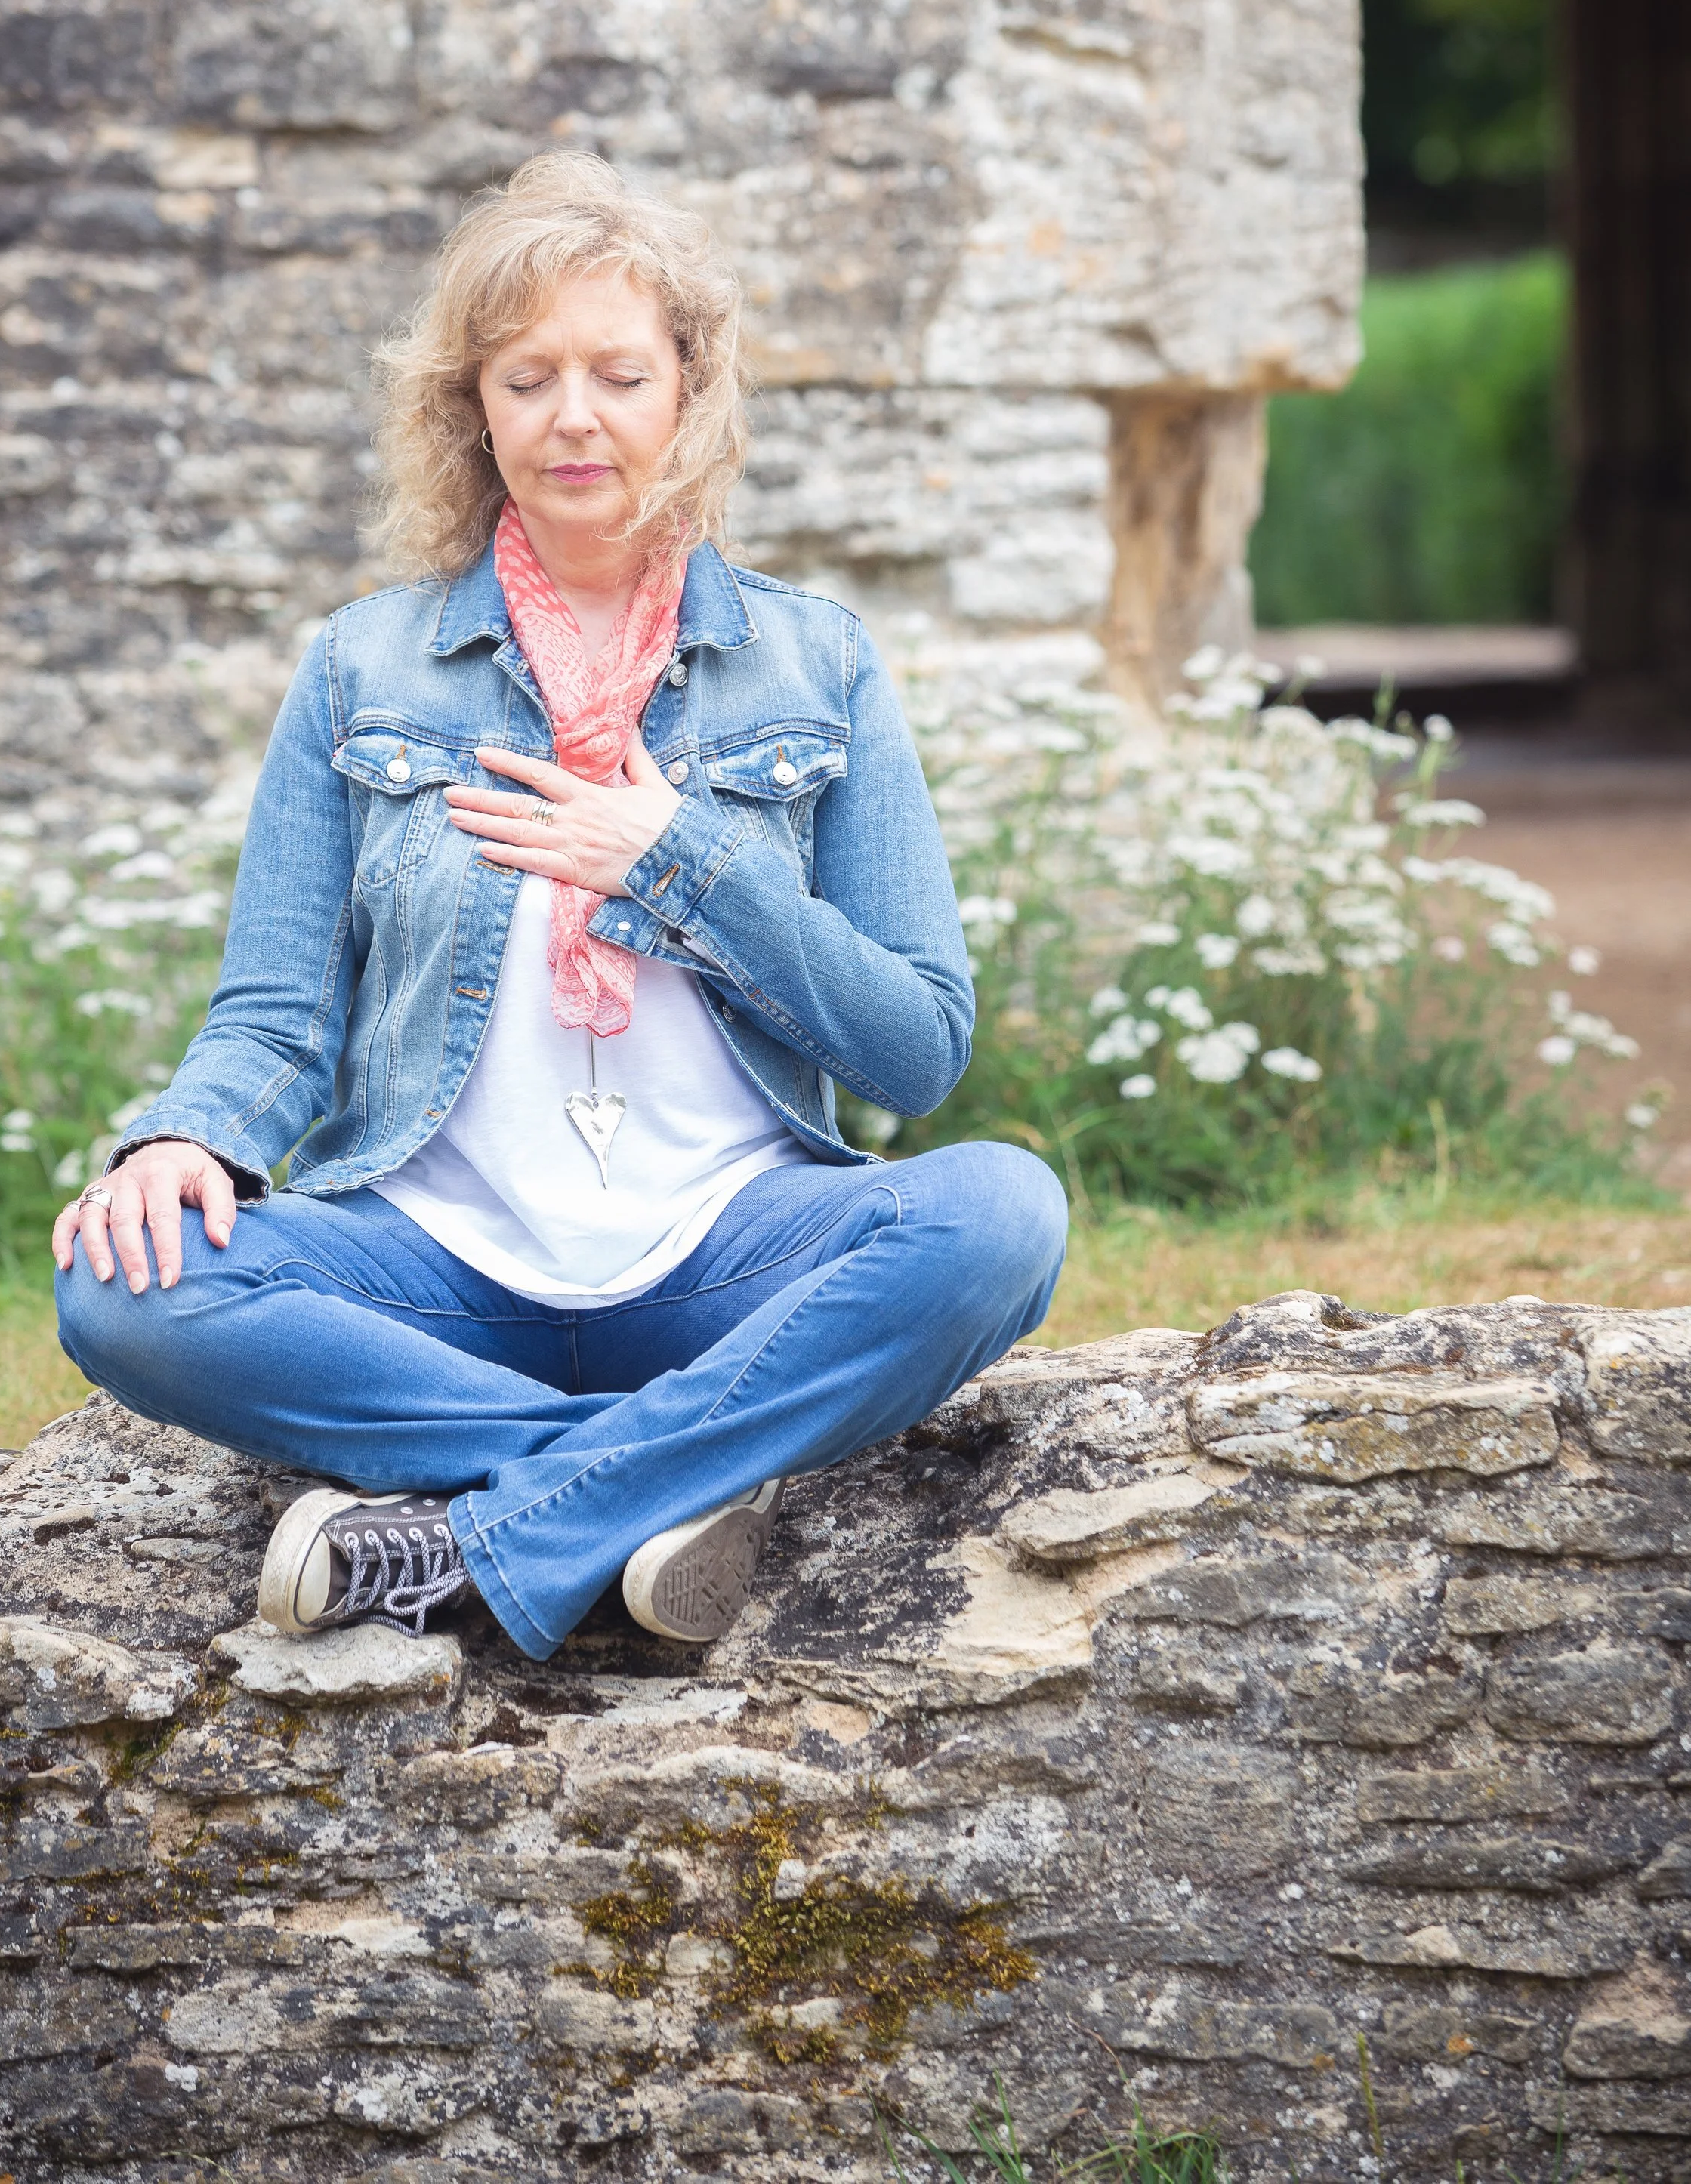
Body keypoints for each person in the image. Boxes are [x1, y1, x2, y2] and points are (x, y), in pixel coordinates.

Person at [51, 154, 1066, 1659]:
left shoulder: (815, 665)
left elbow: (913, 1050)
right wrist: (184, 1138)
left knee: (999, 1216)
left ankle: (479, 1533)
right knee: (123, 1290)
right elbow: (274, 1015)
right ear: (473, 408)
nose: (573, 416)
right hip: (434, 1269)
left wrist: (677, 859)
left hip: (726, 1251)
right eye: (527, 378)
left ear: (689, 393)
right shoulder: (362, 668)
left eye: (616, 373)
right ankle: (640, 1490)